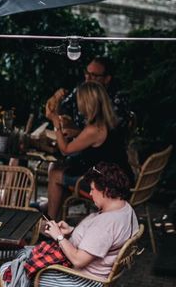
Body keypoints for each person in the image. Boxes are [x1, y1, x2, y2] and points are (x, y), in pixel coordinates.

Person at [2, 162, 139, 287]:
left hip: (83, 283)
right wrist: (73, 231)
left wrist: (58, 236)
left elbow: (78, 260)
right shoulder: (125, 209)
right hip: (98, 277)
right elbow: (102, 241)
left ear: (106, 191)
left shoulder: (106, 224)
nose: (90, 194)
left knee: (10, 270)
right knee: (23, 253)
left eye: (92, 189)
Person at [44, 81, 132, 219]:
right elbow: (99, 143)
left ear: (86, 102)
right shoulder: (108, 121)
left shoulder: (94, 129)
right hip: (120, 178)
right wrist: (78, 134)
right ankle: (56, 215)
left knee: (55, 173)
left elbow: (65, 150)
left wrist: (56, 124)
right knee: (60, 167)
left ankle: (50, 223)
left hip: (108, 186)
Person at [46, 56, 130, 136]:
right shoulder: (80, 91)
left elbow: (110, 136)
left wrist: (78, 133)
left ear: (107, 79)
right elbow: (61, 113)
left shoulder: (117, 99)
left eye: (93, 75)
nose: (87, 78)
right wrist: (57, 100)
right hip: (77, 145)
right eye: (86, 72)